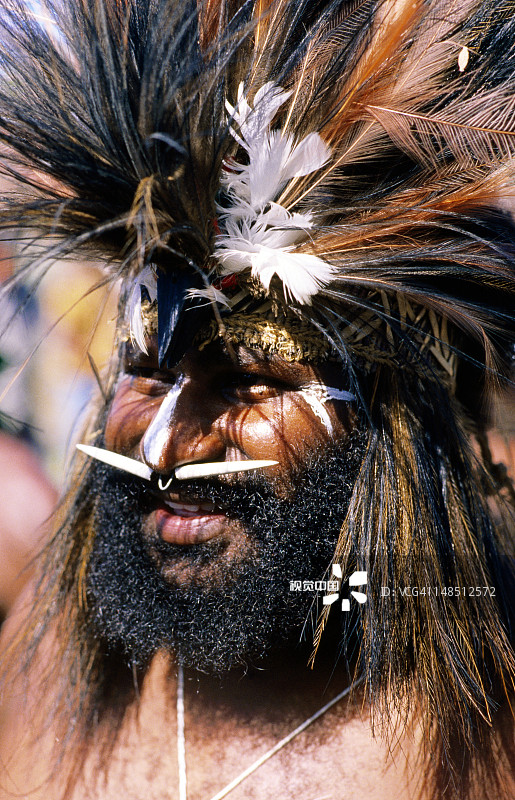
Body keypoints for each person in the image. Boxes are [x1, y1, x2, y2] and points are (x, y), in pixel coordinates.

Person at [0, 1, 513, 798]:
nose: (165, 450)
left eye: (251, 383)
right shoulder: (41, 660)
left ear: (388, 423)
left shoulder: (482, 727)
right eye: (147, 375)